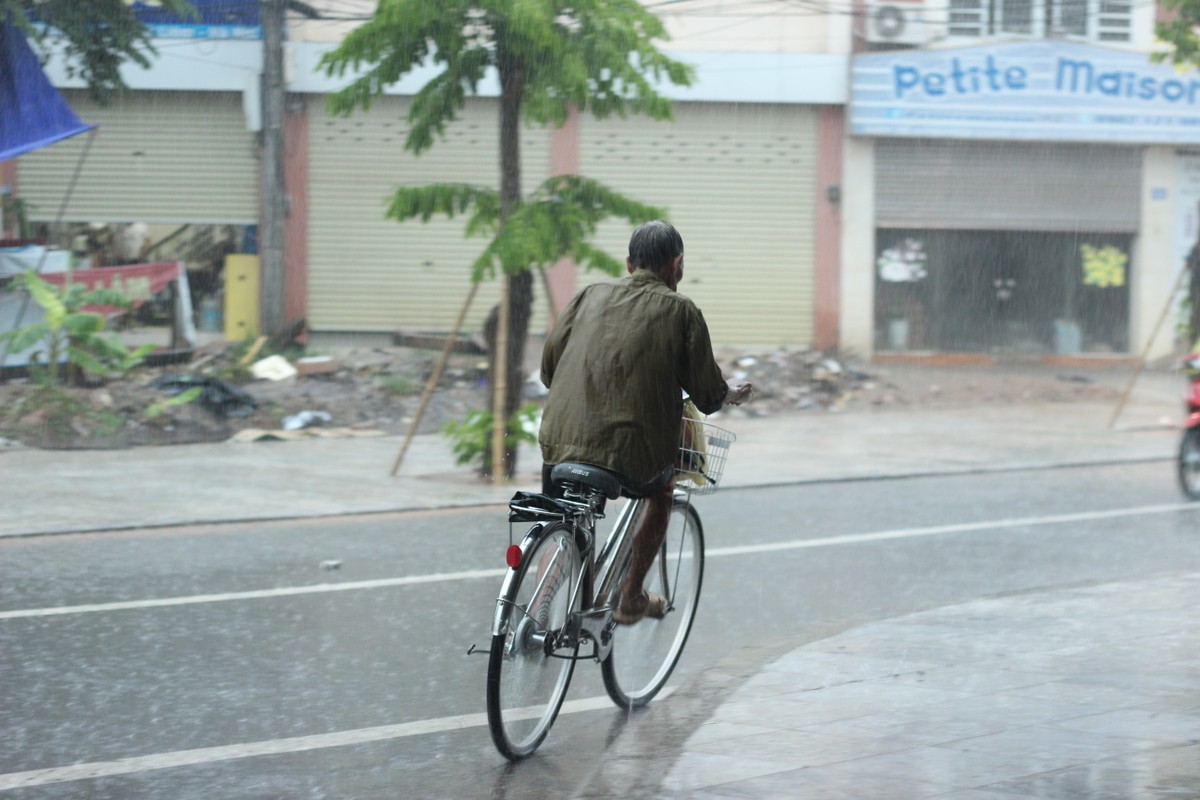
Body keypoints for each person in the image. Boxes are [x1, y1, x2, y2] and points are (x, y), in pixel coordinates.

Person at [538, 220, 752, 624]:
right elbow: (706, 396)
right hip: (632, 455)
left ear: (629, 264)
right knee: (661, 494)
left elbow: (549, 369)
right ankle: (631, 597)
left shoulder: (588, 295)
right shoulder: (682, 310)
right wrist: (730, 394)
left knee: (559, 513)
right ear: (677, 264)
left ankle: (538, 607)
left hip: (559, 441)